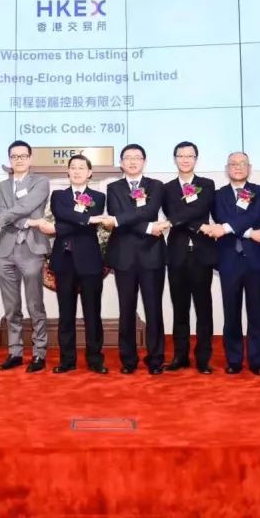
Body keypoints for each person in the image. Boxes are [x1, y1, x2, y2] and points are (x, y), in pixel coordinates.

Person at [105, 143, 169, 375]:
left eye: (137, 157)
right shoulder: (113, 187)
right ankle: (128, 360)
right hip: (124, 256)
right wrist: (149, 227)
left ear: (144, 161)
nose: (132, 161)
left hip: (152, 255)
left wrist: (122, 219)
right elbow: (116, 214)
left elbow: (147, 210)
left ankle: (156, 359)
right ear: (121, 163)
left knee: (154, 309)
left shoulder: (156, 186)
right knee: (127, 309)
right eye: (128, 158)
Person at [208, 152, 260, 375]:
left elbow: (254, 215)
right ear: (227, 168)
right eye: (233, 164)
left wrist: (228, 228)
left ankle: (257, 360)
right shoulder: (218, 195)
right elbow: (221, 217)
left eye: (242, 164)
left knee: (257, 313)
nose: (237, 167)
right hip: (228, 260)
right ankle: (234, 359)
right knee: (231, 313)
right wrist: (249, 233)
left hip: (256, 260)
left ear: (249, 167)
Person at [0, 140, 51, 373]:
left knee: (35, 305)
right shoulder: (1, 186)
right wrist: (28, 221)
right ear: (9, 160)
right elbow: (2, 214)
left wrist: (12, 219)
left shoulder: (41, 182)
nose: (18, 160)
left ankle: (39, 353)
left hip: (32, 249)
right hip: (5, 252)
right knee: (12, 306)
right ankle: (15, 352)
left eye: (23, 156)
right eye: (14, 156)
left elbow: (25, 206)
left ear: (30, 158)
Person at [48, 154, 108, 374]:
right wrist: (87, 219)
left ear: (89, 172)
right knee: (66, 314)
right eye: (73, 167)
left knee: (92, 313)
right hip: (64, 261)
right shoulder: (58, 196)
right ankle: (67, 360)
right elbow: (61, 213)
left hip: (90, 261)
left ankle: (95, 359)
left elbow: (75, 219)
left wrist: (61, 227)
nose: (76, 171)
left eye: (81, 168)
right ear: (68, 171)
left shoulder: (98, 196)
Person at [162, 141, 216, 374]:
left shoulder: (207, 184)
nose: (185, 159)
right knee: (180, 308)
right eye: (181, 156)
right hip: (177, 254)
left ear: (196, 159)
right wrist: (195, 223)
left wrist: (179, 220)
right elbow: (173, 213)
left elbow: (197, 209)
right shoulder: (166, 188)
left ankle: (203, 358)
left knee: (204, 308)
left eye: (189, 156)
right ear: (175, 159)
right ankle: (180, 356)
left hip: (202, 254)